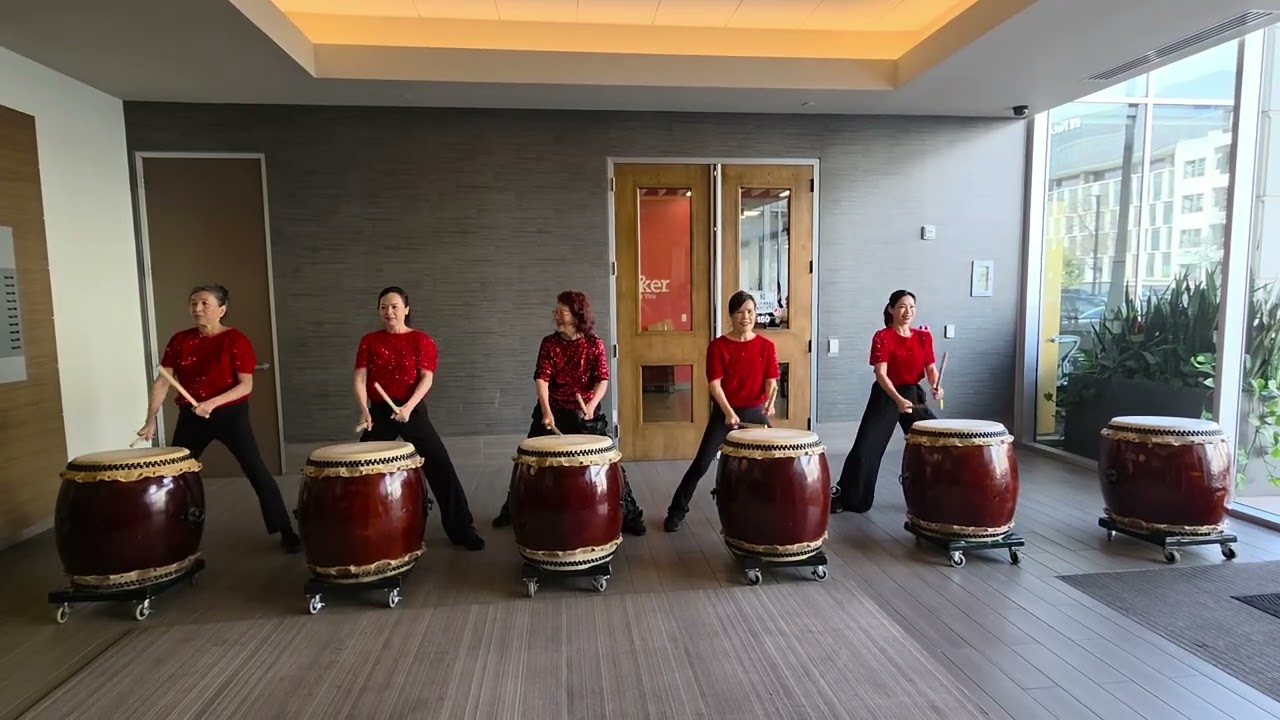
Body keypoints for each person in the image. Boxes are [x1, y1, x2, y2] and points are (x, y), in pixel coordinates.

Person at [137, 284, 301, 553]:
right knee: (175, 473)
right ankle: (171, 532)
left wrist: (211, 403)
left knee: (255, 469)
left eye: (205, 303)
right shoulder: (179, 340)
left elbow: (245, 385)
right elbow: (163, 381)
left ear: (222, 309)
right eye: (193, 303)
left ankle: (285, 530)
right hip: (192, 417)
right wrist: (150, 418)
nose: (197, 308)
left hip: (229, 415)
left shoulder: (236, 340)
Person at [491, 291, 647, 535]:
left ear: (576, 316)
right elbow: (542, 378)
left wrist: (591, 407)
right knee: (527, 461)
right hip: (552, 410)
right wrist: (546, 411)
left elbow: (602, 379)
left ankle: (628, 515)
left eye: (561, 312)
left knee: (609, 461)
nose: (556, 316)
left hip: (584, 414)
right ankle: (512, 510)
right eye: (556, 311)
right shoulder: (549, 343)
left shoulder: (593, 343)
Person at [354, 286, 486, 551]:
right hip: (379, 411)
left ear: (406, 309)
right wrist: (364, 409)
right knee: (360, 469)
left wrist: (408, 408)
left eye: (394, 306)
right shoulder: (370, 340)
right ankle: (358, 528)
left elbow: (426, 379)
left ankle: (461, 528)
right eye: (383, 307)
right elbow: (360, 378)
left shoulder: (420, 339)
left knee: (440, 465)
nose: (389, 312)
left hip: (411, 410)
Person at [664, 290, 779, 533]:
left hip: (754, 411)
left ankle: (775, 512)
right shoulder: (718, 346)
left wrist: (769, 403)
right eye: (740, 312)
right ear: (731, 316)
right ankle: (676, 511)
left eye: (750, 311)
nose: (746, 317)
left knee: (775, 462)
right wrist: (728, 412)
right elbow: (714, 385)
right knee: (701, 464)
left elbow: (771, 381)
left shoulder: (766, 346)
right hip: (724, 413)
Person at [833, 289, 943, 514]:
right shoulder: (882, 336)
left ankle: (939, 495)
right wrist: (898, 399)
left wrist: (936, 385)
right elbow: (881, 374)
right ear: (891, 309)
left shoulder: (923, 336)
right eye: (902, 306)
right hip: (886, 394)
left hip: (912, 393)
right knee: (866, 447)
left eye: (911, 307)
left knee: (937, 442)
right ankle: (850, 499)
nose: (907, 311)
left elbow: (931, 368)